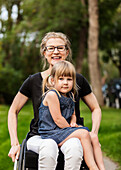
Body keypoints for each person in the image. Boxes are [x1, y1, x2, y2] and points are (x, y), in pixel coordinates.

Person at [8, 32, 102, 170]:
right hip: (41, 136)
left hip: (69, 135)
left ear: (67, 51)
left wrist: (93, 133)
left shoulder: (77, 80)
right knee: (49, 146)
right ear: (44, 52)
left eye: (60, 48)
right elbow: (13, 110)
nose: (56, 52)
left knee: (75, 148)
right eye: (51, 48)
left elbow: (96, 108)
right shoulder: (33, 81)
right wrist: (14, 143)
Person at [38, 60, 105, 170]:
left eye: (69, 79)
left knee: (93, 136)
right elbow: (58, 119)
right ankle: (92, 167)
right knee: (83, 134)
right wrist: (73, 130)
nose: (65, 82)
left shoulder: (71, 95)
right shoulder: (52, 95)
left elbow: (73, 114)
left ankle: (102, 168)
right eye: (61, 79)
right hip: (51, 132)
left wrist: (73, 123)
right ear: (52, 80)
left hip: (63, 130)